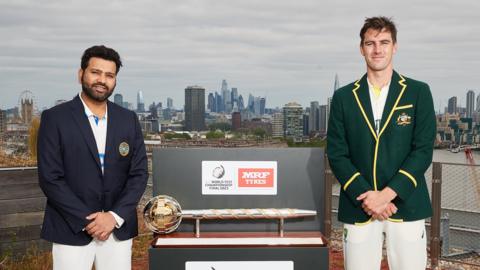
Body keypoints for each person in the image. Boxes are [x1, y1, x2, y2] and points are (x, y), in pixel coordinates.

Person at [327, 16, 436, 270]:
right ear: (361, 48)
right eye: (370, 43)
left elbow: (422, 151)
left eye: (384, 42)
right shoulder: (344, 97)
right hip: (359, 206)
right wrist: (368, 198)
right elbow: (337, 153)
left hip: (406, 205)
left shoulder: (418, 92)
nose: (377, 49)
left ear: (394, 46)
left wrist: (386, 196)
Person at [37, 45, 148, 270]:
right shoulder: (55, 118)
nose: (102, 80)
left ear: (115, 81)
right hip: (71, 228)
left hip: (117, 230)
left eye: (109, 75)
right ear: (81, 74)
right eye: (95, 72)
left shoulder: (128, 119)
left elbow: (138, 174)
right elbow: (50, 178)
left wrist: (113, 217)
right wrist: (88, 221)